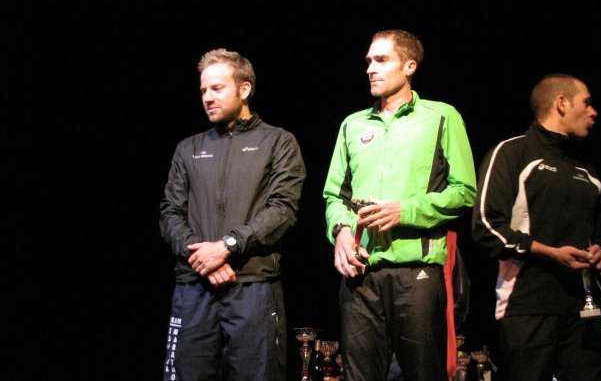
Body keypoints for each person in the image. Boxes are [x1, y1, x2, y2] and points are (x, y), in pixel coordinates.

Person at [322, 29, 477, 381]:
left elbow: (465, 191)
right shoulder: (352, 124)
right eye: (368, 61)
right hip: (359, 275)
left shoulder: (441, 116)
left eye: (381, 60)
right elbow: (335, 196)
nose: (370, 69)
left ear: (409, 66)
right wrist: (341, 232)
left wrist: (404, 211)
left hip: (416, 274)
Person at [160, 49, 306, 380]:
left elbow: (282, 210)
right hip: (194, 288)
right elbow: (170, 213)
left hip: (252, 286)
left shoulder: (278, 142)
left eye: (217, 88)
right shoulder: (188, 148)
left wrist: (227, 246)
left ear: (244, 89)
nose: (207, 97)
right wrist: (202, 257)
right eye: (203, 90)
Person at [472, 74, 601, 381]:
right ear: (562, 103)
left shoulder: (586, 169)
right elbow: (486, 227)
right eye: (586, 103)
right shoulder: (512, 153)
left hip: (584, 310)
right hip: (527, 305)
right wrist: (550, 252)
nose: (594, 112)